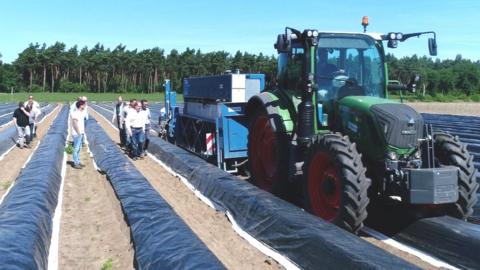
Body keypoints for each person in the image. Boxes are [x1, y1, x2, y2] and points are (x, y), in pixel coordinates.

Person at [71, 100, 87, 169]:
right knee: (76, 148)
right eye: (83, 105)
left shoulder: (81, 112)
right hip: (77, 134)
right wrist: (79, 133)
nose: (85, 105)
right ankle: (75, 163)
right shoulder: (75, 113)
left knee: (79, 148)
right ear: (80, 106)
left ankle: (78, 161)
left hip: (81, 133)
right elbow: (74, 124)